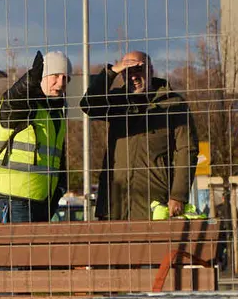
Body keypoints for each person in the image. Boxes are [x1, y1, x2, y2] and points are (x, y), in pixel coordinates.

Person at [80, 50, 197, 221]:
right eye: (127, 71)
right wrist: (111, 71)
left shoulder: (173, 104)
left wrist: (178, 196)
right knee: (114, 248)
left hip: (155, 201)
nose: (133, 76)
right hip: (115, 202)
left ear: (151, 70)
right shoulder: (117, 101)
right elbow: (88, 105)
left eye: (138, 70)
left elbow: (187, 150)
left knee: (154, 247)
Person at [0, 51, 70, 223]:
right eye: (54, 75)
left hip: (41, 198)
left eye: (65, 78)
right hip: (13, 197)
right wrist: (30, 79)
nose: (60, 83)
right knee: (15, 250)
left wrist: (60, 187)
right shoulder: (24, 105)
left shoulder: (55, 114)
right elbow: (13, 99)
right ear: (41, 77)